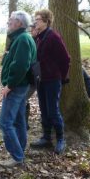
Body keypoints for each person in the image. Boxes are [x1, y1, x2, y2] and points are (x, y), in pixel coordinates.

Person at [0, 11, 37, 168]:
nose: (8, 22)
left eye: (11, 21)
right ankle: (20, 150)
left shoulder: (22, 39)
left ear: (19, 24)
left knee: (5, 123)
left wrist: (10, 85)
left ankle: (17, 156)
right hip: (21, 85)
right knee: (19, 120)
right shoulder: (22, 38)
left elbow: (21, 65)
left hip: (17, 86)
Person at [30, 9, 70, 155]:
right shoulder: (39, 37)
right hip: (41, 80)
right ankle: (46, 138)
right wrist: (34, 38)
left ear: (46, 21)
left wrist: (62, 76)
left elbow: (66, 59)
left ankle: (60, 139)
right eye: (35, 19)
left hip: (53, 80)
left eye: (38, 19)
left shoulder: (53, 36)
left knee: (53, 110)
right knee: (44, 109)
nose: (35, 22)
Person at [25, 24, 39, 130]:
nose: (31, 32)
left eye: (33, 30)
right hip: (31, 76)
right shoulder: (32, 40)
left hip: (36, 76)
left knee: (23, 98)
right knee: (24, 98)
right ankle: (24, 122)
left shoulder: (39, 41)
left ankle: (24, 123)